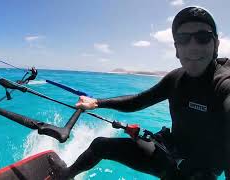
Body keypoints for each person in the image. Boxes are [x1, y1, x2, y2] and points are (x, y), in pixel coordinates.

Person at [48, 6, 230, 180]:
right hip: (169, 154)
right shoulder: (176, 79)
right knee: (100, 145)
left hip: (198, 173)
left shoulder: (222, 83)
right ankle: (65, 176)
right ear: (176, 49)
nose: (193, 46)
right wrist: (96, 102)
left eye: (202, 37)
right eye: (184, 39)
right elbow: (138, 101)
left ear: (216, 45)